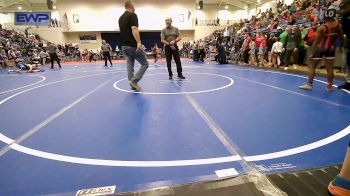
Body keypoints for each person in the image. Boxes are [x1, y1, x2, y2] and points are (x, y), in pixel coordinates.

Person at [299, 9, 344, 91]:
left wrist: (311, 53)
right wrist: (341, 48)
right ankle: (329, 87)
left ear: (325, 16)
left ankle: (309, 85)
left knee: (313, 66)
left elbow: (316, 42)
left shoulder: (322, 28)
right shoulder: (339, 26)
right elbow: (341, 38)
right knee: (330, 68)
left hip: (320, 48)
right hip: (331, 48)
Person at [118, 0, 149, 91]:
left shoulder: (120, 18)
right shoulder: (132, 15)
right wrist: (139, 42)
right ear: (131, 6)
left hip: (124, 46)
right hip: (132, 46)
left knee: (130, 65)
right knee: (145, 64)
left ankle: (132, 84)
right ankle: (134, 81)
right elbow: (134, 28)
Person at [338, 0, 350, 90]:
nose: (342, 10)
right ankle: (348, 82)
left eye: (344, 7)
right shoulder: (344, 17)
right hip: (348, 43)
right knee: (346, 64)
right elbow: (342, 31)